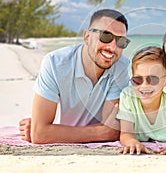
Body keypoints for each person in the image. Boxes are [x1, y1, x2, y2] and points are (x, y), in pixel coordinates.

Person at [19, 9, 131, 144]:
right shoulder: (55, 63)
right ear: (87, 37)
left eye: (121, 41)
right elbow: (40, 134)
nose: (113, 47)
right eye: (106, 36)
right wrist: (100, 132)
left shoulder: (120, 66)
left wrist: (54, 132)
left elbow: (113, 130)